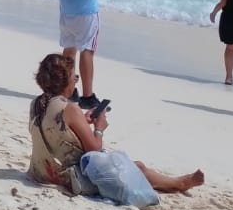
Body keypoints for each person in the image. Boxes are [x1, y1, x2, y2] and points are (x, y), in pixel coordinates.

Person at [27, 53, 203, 195]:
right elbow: (94, 150)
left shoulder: (37, 103)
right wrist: (99, 128)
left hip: (40, 171)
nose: (75, 81)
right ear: (65, 81)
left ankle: (175, 182)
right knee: (137, 167)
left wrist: (84, 121)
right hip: (67, 178)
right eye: (75, 77)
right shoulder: (70, 109)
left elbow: (57, 132)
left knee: (132, 165)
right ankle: (178, 183)